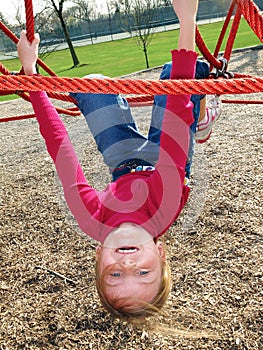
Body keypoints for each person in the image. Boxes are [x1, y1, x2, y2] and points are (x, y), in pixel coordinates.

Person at [17, 0, 219, 319]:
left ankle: (117, 101)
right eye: (143, 274)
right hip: (167, 160)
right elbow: (176, 116)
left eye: (115, 275)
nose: (128, 265)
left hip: (124, 164)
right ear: (161, 253)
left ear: (98, 257)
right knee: (179, 76)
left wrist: (31, 75)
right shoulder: (164, 203)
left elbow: (61, 148)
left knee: (91, 86)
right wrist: (187, 21)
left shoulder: (90, 218)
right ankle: (203, 116)